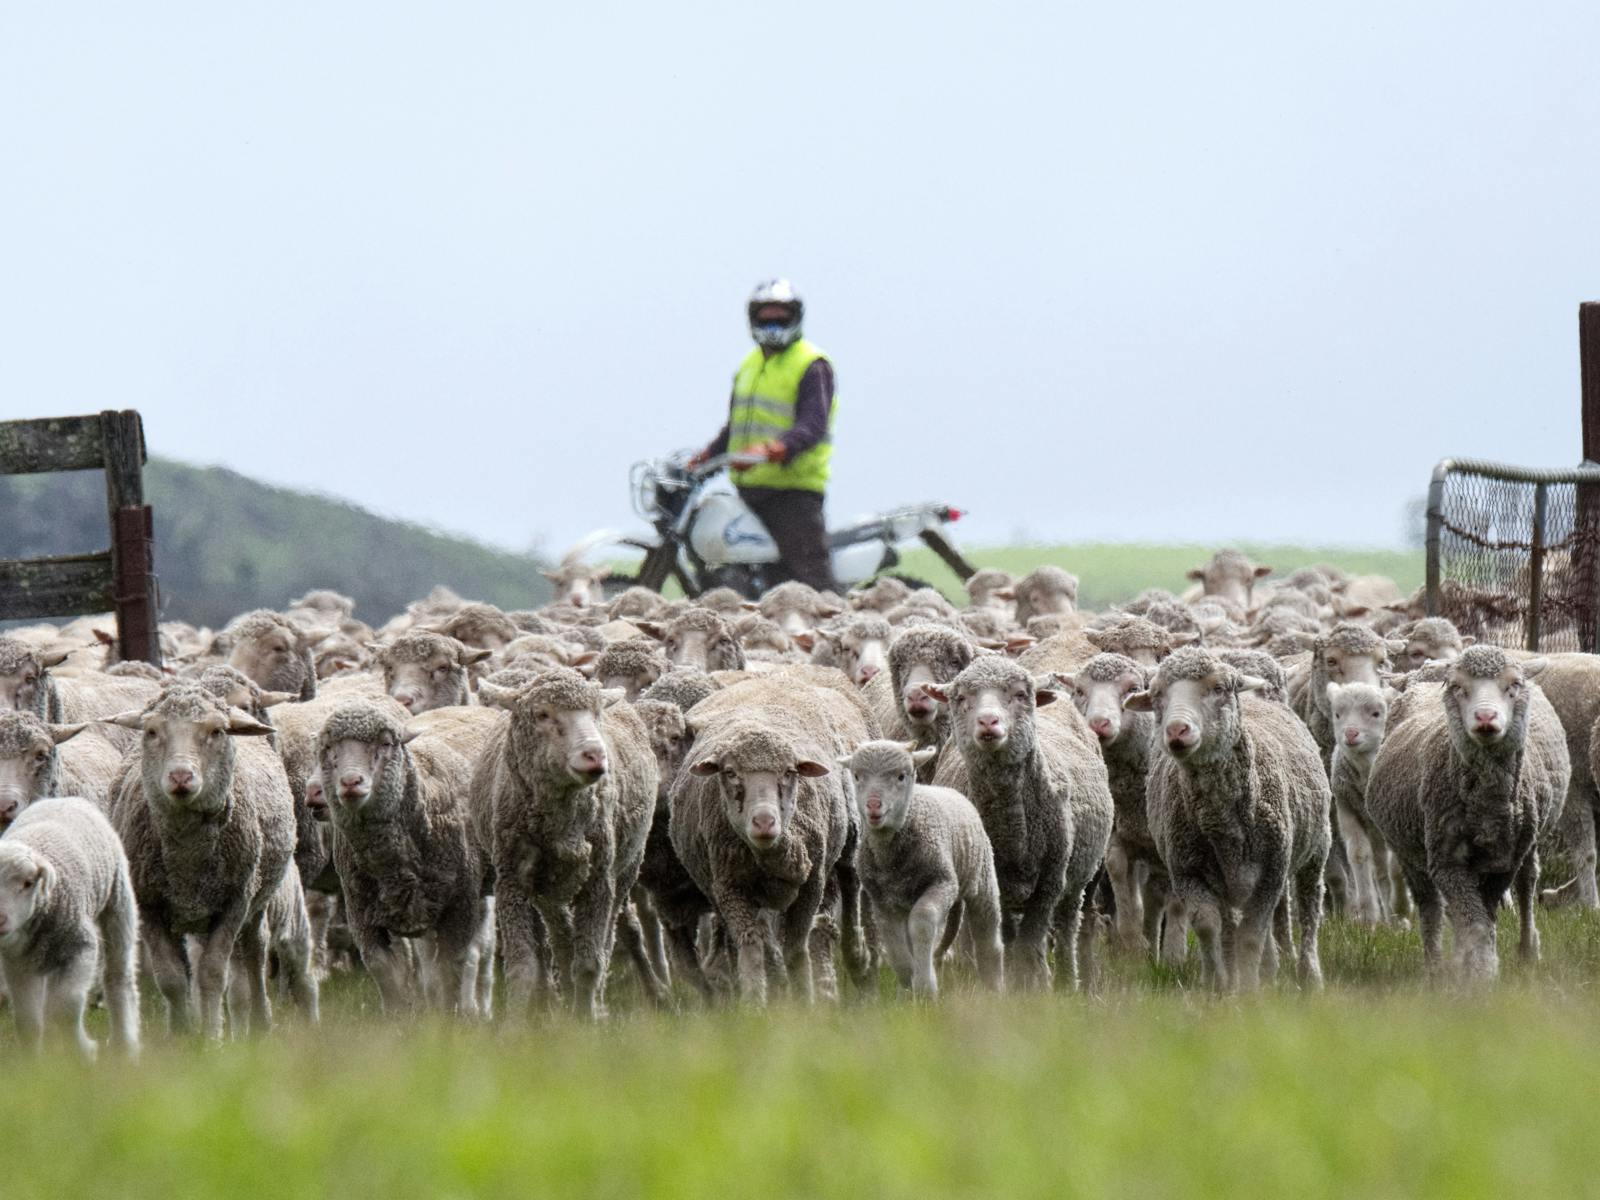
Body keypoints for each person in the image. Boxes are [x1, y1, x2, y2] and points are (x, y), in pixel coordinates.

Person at [689, 279, 840, 593]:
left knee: (812, 582)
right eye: (766, 318)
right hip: (750, 490)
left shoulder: (812, 364)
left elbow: (812, 426)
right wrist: (706, 456)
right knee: (763, 580)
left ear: (795, 318)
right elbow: (735, 428)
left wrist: (773, 449)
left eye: (781, 318)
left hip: (792, 492)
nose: (773, 324)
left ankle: (838, 629)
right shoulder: (749, 365)